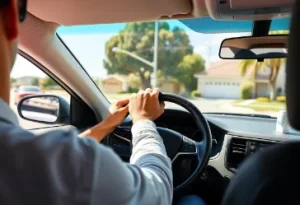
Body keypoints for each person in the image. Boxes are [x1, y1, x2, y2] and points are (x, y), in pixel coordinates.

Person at [0, 0, 205, 204]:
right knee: (193, 201)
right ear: (11, 17)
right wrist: (143, 121)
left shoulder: (44, 162)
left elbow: (57, 160)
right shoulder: (73, 167)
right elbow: (158, 192)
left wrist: (105, 125)